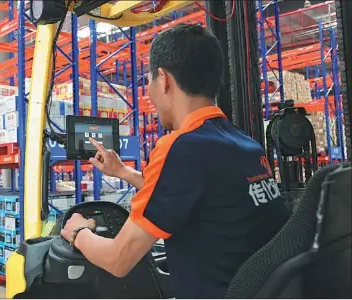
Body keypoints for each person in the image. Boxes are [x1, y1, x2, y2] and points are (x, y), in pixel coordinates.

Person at [60, 24, 289, 298]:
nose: (149, 94)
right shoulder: (247, 146)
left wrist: (78, 232)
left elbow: (119, 259)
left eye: (149, 83)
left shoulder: (180, 146)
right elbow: (195, 193)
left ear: (164, 79)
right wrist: (122, 172)